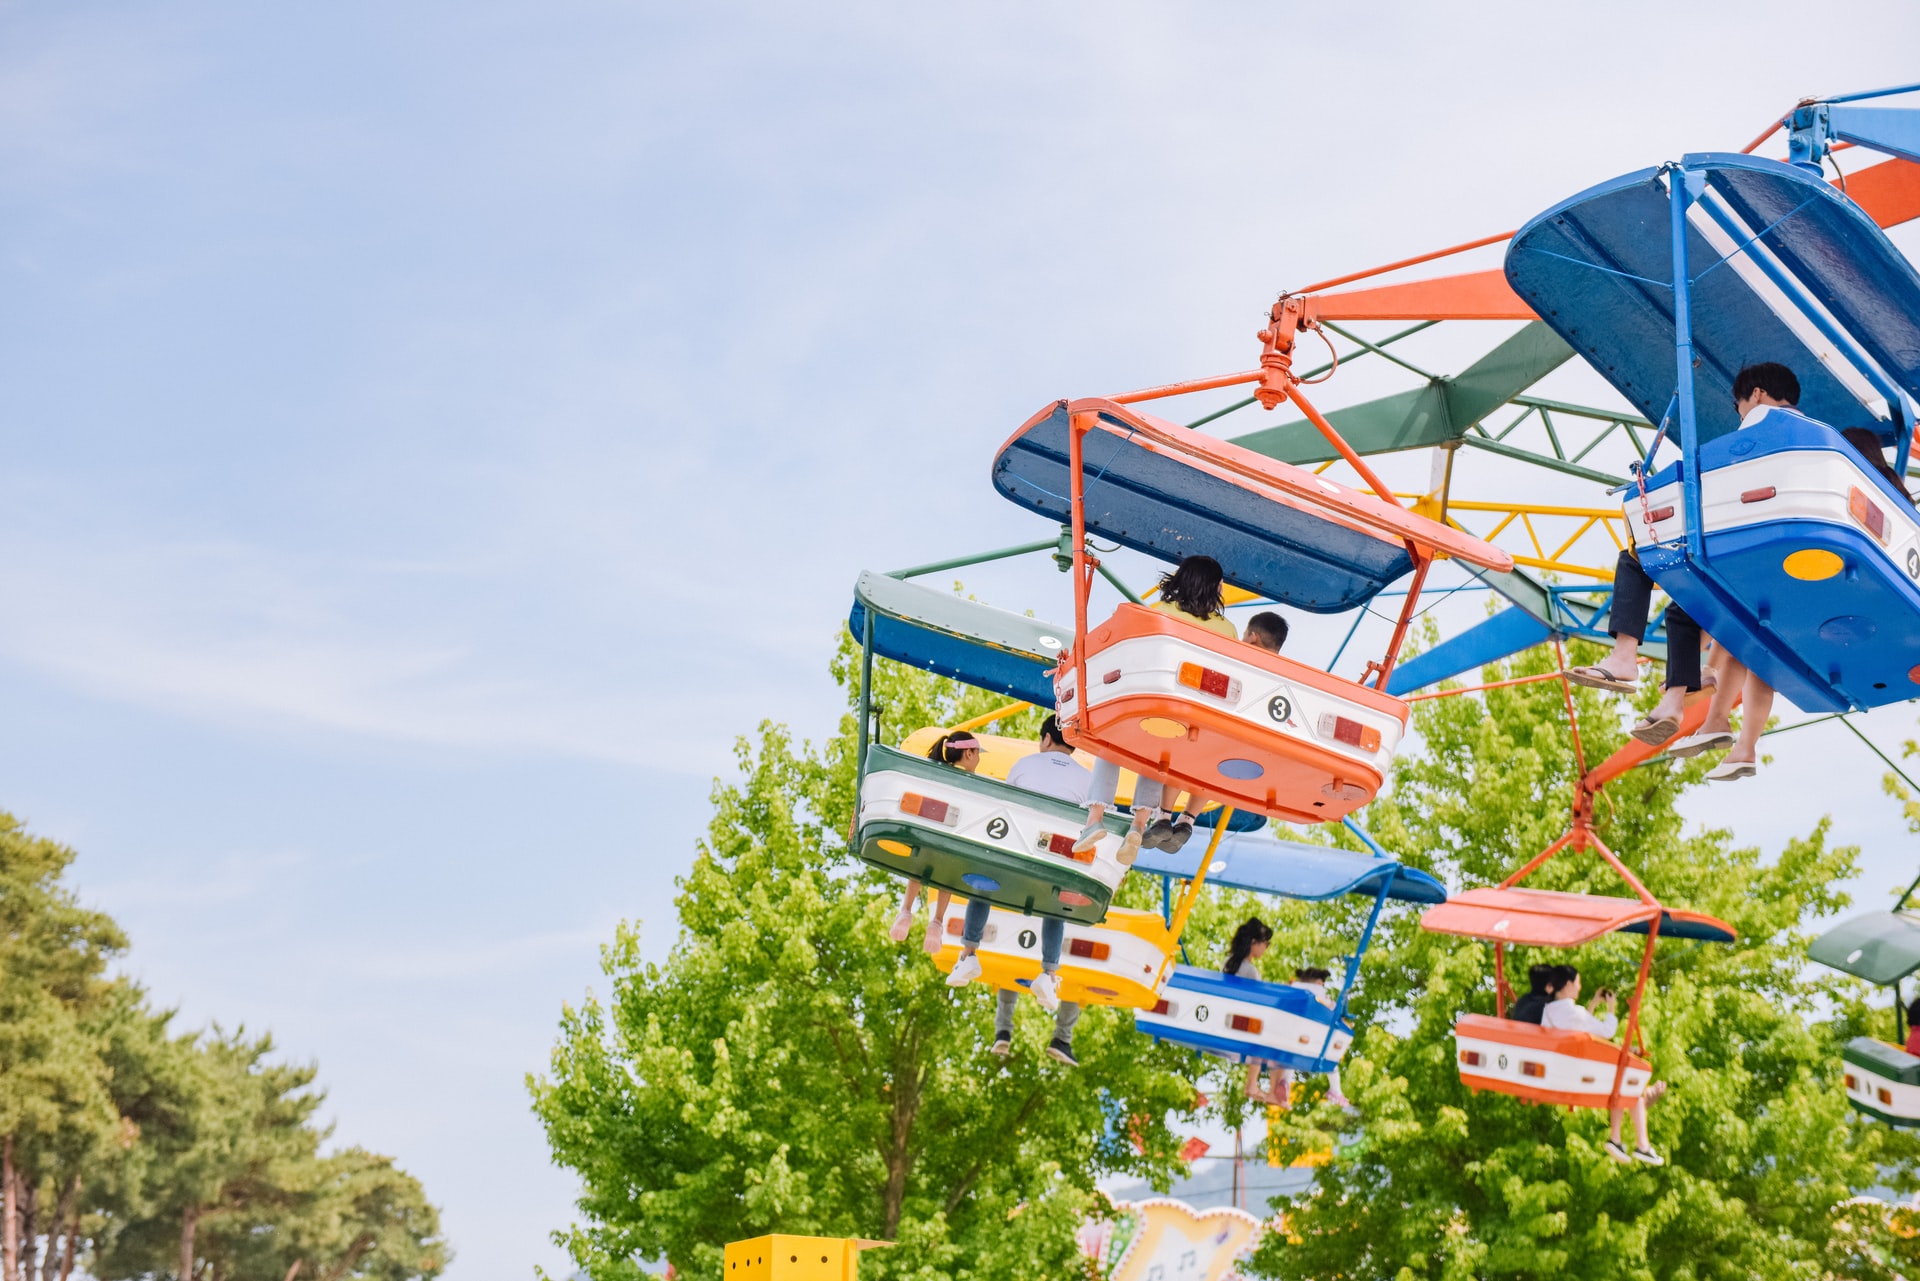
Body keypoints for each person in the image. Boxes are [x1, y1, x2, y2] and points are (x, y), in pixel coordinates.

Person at [1672, 363, 1804, 777]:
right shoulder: (1813, 432)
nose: (1741, 414)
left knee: (1732, 622)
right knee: (1760, 654)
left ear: (1758, 394)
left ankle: (1709, 698)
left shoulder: (1762, 425)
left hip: (1763, 545)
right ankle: (1736, 739)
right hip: (1802, 555)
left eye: (1740, 405)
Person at [1082, 558, 1252, 856]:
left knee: (1111, 746)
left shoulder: (1158, 613)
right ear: (1216, 588)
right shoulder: (1227, 629)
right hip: (1192, 715)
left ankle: (1094, 819)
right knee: (1156, 758)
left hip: (1152, 700)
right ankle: (1138, 825)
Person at [949, 715, 1091, 1060]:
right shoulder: (1087, 779)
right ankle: (1049, 972)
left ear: (1045, 739)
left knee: (982, 884)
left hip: (1013, 862)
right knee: (1057, 903)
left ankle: (969, 954)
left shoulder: (1024, 764)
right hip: (1053, 868)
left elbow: (1008, 806)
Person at [1540, 966, 1669, 1165]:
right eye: (1577, 982)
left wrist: (1592, 1004)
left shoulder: (1549, 1010)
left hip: (1560, 1068)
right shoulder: (1574, 1012)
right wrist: (1611, 1008)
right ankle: (1640, 1143)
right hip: (1576, 1074)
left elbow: (1582, 1028)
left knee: (1623, 1079)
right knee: (1628, 1083)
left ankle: (1619, 1139)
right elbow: (1607, 1030)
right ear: (1567, 984)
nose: (1579, 987)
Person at [890, 733, 982, 950]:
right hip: (956, 842)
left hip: (930, 836)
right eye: (978, 754)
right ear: (969, 753)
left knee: (917, 871)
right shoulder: (974, 782)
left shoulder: (936, 773)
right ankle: (937, 922)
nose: (979, 759)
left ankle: (905, 910)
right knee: (947, 879)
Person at [1224, 918, 1289, 1106]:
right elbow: (1259, 1004)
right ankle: (1267, 1088)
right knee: (1275, 1036)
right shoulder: (1250, 971)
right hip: (1243, 1025)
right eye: (1266, 944)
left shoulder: (1228, 963)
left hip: (1226, 1020)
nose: (1266, 948)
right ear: (1254, 943)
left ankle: (1261, 1087)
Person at [1290, 966, 1350, 1108]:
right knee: (1332, 1057)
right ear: (1319, 983)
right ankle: (1336, 1090)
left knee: (1288, 1061)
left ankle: (1284, 1083)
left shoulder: (1292, 989)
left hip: (1290, 1035)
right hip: (1311, 1037)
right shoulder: (1318, 994)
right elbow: (1331, 1011)